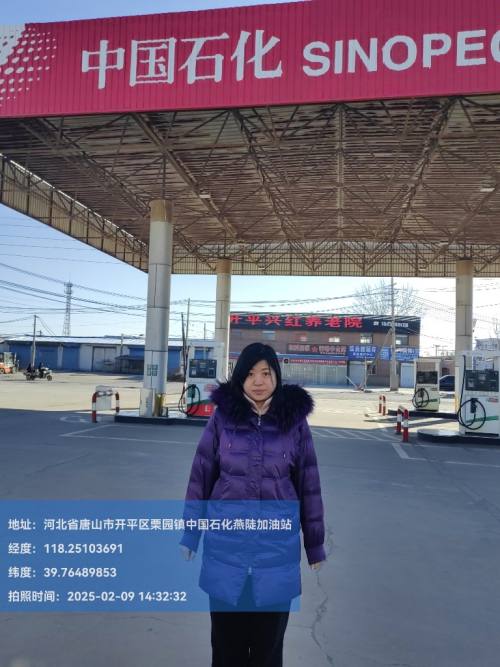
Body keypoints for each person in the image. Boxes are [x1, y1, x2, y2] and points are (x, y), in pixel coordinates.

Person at [180, 342, 326, 667]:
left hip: (275, 557)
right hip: (225, 554)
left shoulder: (294, 423)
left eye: (266, 373)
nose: (258, 381)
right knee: (226, 652)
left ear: (277, 376)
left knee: (267, 653)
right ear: (239, 378)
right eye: (250, 374)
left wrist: (314, 546)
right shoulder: (222, 419)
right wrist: (191, 533)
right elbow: (201, 476)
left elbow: (309, 485)